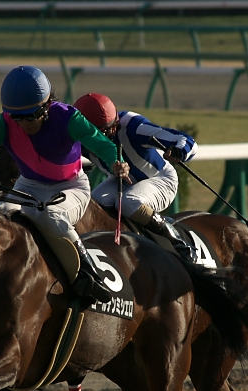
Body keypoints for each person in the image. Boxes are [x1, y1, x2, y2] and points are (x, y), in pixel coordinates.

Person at [0, 66, 130, 303]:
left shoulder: (69, 118)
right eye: (18, 118)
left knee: (52, 216)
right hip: (28, 185)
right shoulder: (3, 123)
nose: (24, 124)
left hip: (70, 186)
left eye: (31, 116)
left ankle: (88, 274)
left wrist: (115, 163)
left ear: (47, 105)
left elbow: (104, 146)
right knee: (1, 215)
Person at [72, 93, 200, 265]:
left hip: (160, 179)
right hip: (122, 182)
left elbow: (185, 140)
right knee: (91, 205)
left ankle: (178, 243)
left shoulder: (133, 125)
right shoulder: (77, 134)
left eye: (103, 132)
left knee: (128, 202)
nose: (98, 140)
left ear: (115, 123)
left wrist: (179, 151)